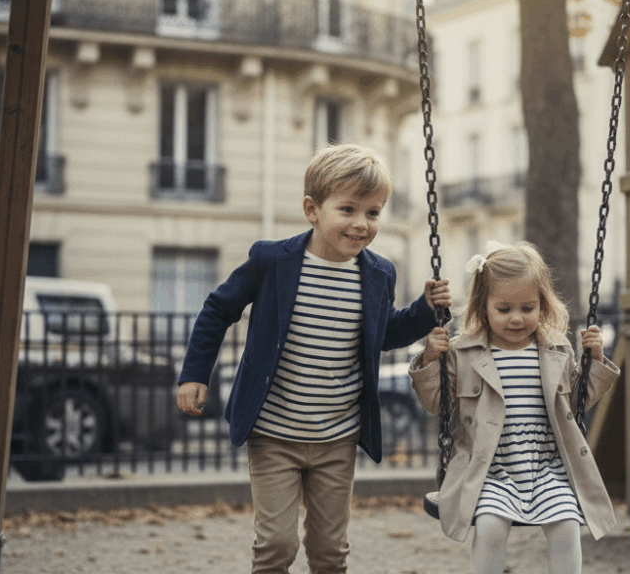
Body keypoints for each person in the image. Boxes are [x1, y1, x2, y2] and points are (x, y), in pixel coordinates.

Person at [176, 143, 452, 574]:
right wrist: (195, 373)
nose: (361, 224)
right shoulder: (273, 261)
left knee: (329, 551)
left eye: (373, 212)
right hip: (273, 434)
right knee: (276, 545)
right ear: (312, 209)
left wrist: (424, 309)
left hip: (338, 437)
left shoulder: (379, 272)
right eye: (347, 209)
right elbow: (218, 309)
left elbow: (384, 334)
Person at [409, 241, 619, 574]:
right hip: (491, 471)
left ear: (542, 305)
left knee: (567, 528)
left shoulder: (557, 348)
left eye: (527, 308)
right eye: (504, 309)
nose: (517, 318)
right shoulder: (464, 352)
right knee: (491, 528)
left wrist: (594, 360)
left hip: (546, 468)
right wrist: (430, 360)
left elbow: (577, 401)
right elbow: (436, 402)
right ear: (484, 306)